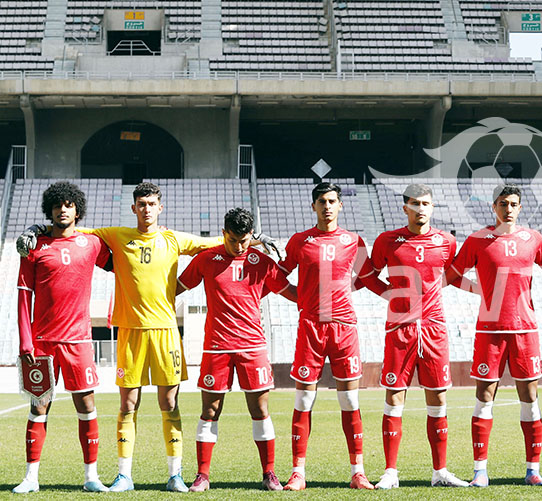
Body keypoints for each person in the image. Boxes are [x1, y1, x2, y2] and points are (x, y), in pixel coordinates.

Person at [17, 182, 281, 492]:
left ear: (160, 207)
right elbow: (73, 229)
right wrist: (36, 228)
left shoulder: (173, 239)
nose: (146, 209)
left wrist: (256, 239)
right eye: (141, 204)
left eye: (152, 203)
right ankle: (123, 476)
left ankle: (176, 474)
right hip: (130, 332)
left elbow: (213, 243)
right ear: (134, 208)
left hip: (166, 332)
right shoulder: (116, 235)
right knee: (127, 404)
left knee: (169, 402)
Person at [444, 184, 542, 487]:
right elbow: (451, 275)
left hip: (525, 330)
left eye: (513, 204)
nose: (507, 209)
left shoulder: (532, 238)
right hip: (490, 331)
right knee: (484, 397)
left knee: (530, 398)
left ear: (520, 208)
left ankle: (533, 470)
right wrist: (478, 291)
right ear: (493, 207)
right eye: (502, 203)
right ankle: (480, 470)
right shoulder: (477, 240)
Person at [175, 208, 297, 491]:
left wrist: (317, 298)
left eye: (244, 241)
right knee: (210, 410)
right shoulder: (206, 259)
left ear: (250, 236)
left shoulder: (262, 262)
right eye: (233, 240)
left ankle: (269, 473)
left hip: (252, 346)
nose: (239, 246)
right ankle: (202, 475)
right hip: (216, 347)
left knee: (260, 409)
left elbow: (289, 291)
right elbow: (177, 287)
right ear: (224, 233)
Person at [278, 182, 384, 491]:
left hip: (344, 328)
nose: (327, 206)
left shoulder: (353, 241)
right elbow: (279, 275)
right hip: (311, 326)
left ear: (340, 205)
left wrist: (397, 295)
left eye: (332, 201)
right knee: (304, 399)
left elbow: (368, 278)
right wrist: (300, 298)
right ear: (313, 206)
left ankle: (358, 472)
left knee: (350, 399)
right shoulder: (300, 241)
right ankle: (298, 472)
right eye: (322, 201)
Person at [13, 182, 112, 493]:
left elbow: (123, 264)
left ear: (77, 210)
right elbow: (22, 296)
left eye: (68, 205)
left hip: (79, 341)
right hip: (41, 342)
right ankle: (31, 478)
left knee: (86, 404)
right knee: (39, 406)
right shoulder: (33, 248)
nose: (62, 209)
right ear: (50, 210)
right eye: (57, 205)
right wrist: (25, 342)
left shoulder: (92, 244)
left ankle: (91, 477)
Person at [369, 183, 469, 489]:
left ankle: (440, 471)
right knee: (394, 396)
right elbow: (367, 275)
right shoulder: (388, 241)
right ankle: (390, 472)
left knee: (438, 397)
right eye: (415, 204)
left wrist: (430, 296)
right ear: (405, 208)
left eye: (426, 203)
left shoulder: (447, 242)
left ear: (433, 207)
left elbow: (453, 275)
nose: (421, 208)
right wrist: (393, 294)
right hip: (400, 328)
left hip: (434, 328)